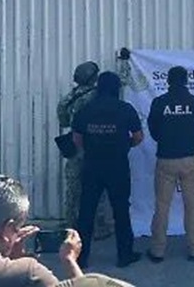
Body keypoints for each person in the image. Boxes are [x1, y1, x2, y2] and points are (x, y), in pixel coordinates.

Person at [72, 72, 144, 268]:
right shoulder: (125, 109)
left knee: (86, 212)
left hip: (92, 166)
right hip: (117, 166)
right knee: (121, 210)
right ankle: (124, 255)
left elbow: (77, 139)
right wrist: (125, 145)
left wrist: (93, 148)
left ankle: (81, 257)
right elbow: (138, 137)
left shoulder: (86, 109)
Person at [146, 66, 194, 263]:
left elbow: (153, 130)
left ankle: (157, 250)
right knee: (192, 205)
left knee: (162, 206)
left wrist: (167, 141)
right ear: (186, 81)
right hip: (190, 159)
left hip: (166, 159)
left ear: (168, 81)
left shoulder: (159, 102)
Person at [57, 61, 113, 241]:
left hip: (74, 147)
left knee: (73, 189)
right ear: (93, 78)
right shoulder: (96, 96)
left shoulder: (69, 97)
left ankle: (71, 226)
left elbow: (63, 120)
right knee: (96, 188)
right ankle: (97, 228)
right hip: (93, 146)